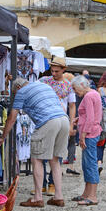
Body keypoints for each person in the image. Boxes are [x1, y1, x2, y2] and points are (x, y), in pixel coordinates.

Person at [0, 77, 69, 208]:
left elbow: (12, 118)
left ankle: (37, 198)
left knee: (37, 159)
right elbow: (60, 106)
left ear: (17, 88)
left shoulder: (21, 92)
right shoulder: (45, 86)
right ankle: (58, 196)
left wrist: (3, 136)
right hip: (64, 120)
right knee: (55, 160)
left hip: (48, 122)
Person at [38, 57, 76, 195]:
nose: (53, 74)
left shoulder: (68, 85)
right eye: (52, 71)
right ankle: (41, 184)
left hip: (60, 121)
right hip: (44, 120)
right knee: (41, 152)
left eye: (57, 71)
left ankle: (52, 183)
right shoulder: (44, 81)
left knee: (57, 153)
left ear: (63, 70)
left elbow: (72, 106)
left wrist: (71, 125)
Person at [70, 76, 102, 206]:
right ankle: (86, 193)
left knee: (90, 164)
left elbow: (90, 118)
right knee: (87, 163)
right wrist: (80, 118)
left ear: (82, 85)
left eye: (75, 88)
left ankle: (92, 196)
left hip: (89, 133)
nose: (74, 92)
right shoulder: (94, 94)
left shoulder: (88, 96)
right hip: (93, 131)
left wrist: (82, 136)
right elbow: (91, 114)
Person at [63, 72, 80, 175]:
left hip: (64, 118)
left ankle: (58, 168)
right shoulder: (75, 92)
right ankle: (71, 166)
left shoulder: (63, 91)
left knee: (60, 144)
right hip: (73, 119)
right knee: (71, 144)